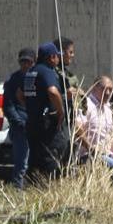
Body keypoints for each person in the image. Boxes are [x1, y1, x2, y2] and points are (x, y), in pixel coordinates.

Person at [23, 41, 70, 181]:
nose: (58, 59)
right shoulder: (47, 71)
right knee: (51, 159)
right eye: (57, 56)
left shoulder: (31, 72)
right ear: (51, 57)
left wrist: (32, 107)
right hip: (47, 126)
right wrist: (60, 112)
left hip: (32, 124)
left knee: (35, 160)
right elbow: (53, 92)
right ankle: (49, 191)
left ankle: (34, 190)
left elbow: (20, 95)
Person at [2, 47, 35, 188]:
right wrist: (19, 122)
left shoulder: (36, 77)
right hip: (20, 127)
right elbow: (8, 106)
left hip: (35, 125)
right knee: (22, 162)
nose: (25, 65)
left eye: (29, 62)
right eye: (23, 62)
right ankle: (17, 191)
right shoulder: (13, 80)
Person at [76, 74, 113, 171]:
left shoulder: (108, 108)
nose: (108, 93)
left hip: (108, 155)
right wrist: (90, 148)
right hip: (89, 156)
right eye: (104, 89)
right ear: (94, 88)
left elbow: (108, 134)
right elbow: (77, 129)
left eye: (110, 89)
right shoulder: (86, 104)